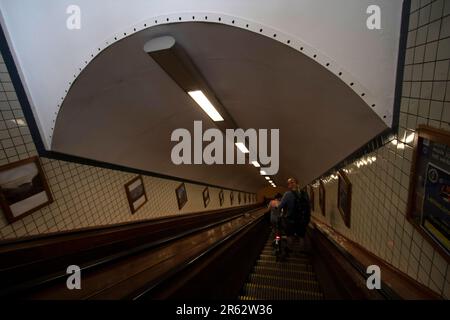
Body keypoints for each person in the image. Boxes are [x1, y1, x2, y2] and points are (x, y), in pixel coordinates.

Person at [277, 177, 311, 251]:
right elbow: (308, 206)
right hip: (302, 220)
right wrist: (307, 219)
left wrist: (280, 215)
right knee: (301, 236)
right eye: (289, 183)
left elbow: (280, 206)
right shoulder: (304, 193)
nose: (290, 184)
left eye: (291, 183)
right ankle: (301, 252)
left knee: (290, 236)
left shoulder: (287, 194)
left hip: (290, 220)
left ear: (295, 184)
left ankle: (290, 249)